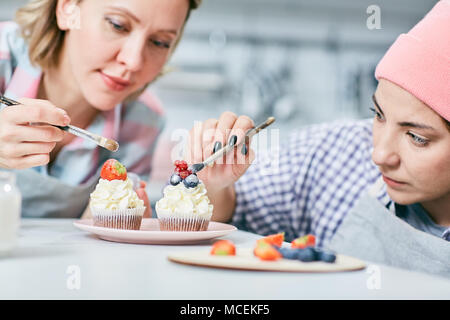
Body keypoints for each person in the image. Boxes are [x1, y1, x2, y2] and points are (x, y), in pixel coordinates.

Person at [185, 0, 450, 277]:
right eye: (379, 115)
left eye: (416, 138)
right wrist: (215, 185)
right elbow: (229, 214)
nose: (379, 155)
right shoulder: (332, 152)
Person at [0, 0, 201, 218]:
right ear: (67, 8)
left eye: (159, 42)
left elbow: (94, 240)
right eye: (117, 25)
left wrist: (114, 221)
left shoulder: (143, 121)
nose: (133, 62)